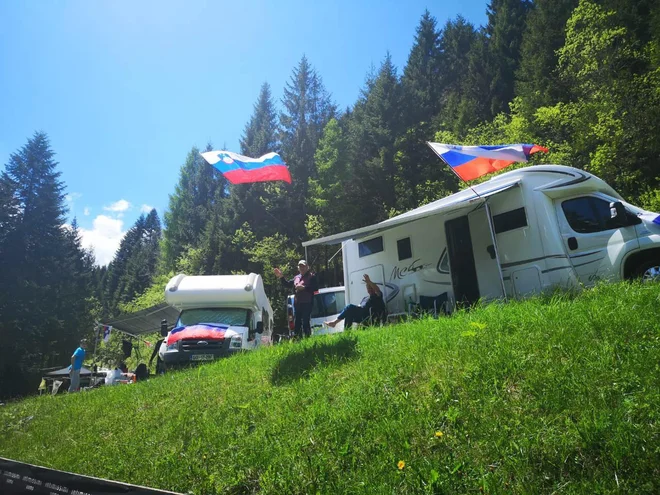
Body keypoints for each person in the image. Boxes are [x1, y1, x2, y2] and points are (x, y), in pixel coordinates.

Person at [274, 260, 318, 338]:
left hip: (307, 302)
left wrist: (304, 288)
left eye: (303, 266)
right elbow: (287, 284)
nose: (302, 268)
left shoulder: (312, 277)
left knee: (305, 322)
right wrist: (281, 277)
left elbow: (315, 288)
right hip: (298, 303)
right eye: (300, 266)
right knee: (297, 322)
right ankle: (298, 339)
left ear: (307, 267)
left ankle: (308, 338)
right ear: (298, 268)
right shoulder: (296, 278)